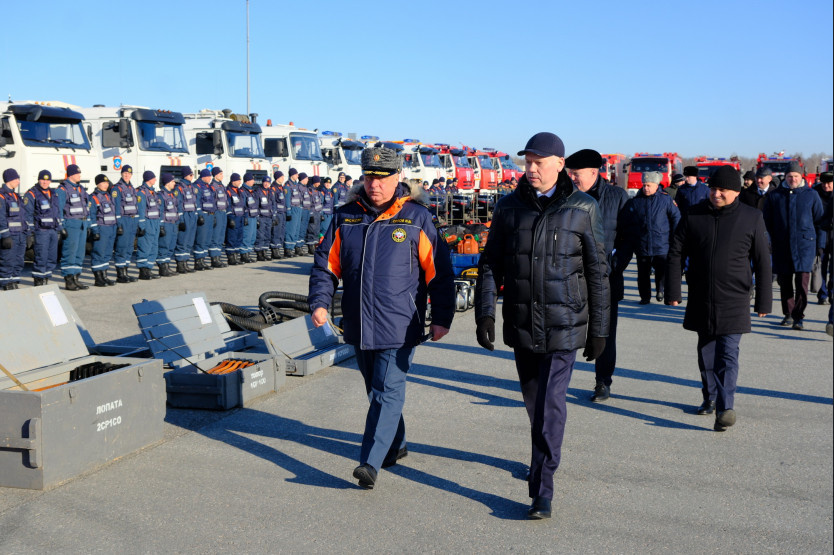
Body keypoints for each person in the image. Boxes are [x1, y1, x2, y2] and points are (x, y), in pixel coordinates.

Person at [474, 132, 610, 520]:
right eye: (528, 162)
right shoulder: (509, 207)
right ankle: (542, 463)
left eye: (539, 162)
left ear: (559, 165)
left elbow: (598, 271)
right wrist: (485, 313)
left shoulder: (582, 207)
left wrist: (599, 329)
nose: (531, 169)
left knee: (550, 406)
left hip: (564, 324)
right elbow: (491, 263)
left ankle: (542, 489)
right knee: (536, 406)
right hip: (522, 324)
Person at [308, 146, 455, 491]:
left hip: (400, 324)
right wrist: (319, 302)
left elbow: (439, 271)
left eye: (383, 177)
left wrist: (442, 315)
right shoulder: (345, 216)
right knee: (377, 390)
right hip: (359, 322)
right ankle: (396, 443)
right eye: (370, 177)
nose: (375, 184)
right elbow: (326, 266)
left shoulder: (417, 217)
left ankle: (370, 462)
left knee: (386, 389)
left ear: (398, 176)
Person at [666, 166, 772, 431]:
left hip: (735, 297)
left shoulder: (751, 217)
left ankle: (726, 407)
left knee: (728, 354)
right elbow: (676, 252)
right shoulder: (694, 214)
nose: (716, 194)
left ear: (735, 192)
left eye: (722, 190)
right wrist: (673, 291)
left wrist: (764, 301)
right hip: (701, 295)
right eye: (713, 189)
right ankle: (710, 397)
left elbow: (762, 260)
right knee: (707, 353)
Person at [566, 149, 629, 403]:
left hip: (607, 279)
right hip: (572, 278)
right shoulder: (567, 196)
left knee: (604, 333)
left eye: (576, 174)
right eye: (570, 173)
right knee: (567, 331)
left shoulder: (617, 197)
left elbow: (629, 237)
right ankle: (559, 380)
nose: (572, 178)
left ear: (593, 172)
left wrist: (613, 265)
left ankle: (603, 382)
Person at [762, 161, 825, 330]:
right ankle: (788, 314)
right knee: (785, 282)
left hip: (805, 245)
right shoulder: (775, 196)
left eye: (796, 176)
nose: (793, 179)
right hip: (781, 245)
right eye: (790, 176)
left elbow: (820, 222)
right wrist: (768, 241)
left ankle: (799, 316)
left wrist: (820, 245)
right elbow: (766, 222)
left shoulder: (811, 195)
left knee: (802, 282)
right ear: (785, 177)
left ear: (801, 176)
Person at [622, 171, 680, 304]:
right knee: (643, 273)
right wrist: (632, 237)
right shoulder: (636, 201)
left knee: (661, 271)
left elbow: (676, 218)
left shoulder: (665, 200)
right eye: (644, 185)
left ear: (656, 185)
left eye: (649, 185)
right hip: (642, 244)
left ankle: (660, 290)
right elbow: (627, 221)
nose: (646, 188)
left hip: (662, 244)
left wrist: (674, 238)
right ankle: (645, 297)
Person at [55, 164, 90, 290]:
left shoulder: (81, 189)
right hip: (71, 224)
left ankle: (76, 278)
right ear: (71, 175)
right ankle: (69, 280)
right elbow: (58, 209)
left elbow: (86, 207)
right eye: (77, 174)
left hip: (82, 224)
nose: (80, 175)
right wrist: (61, 227)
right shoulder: (62, 190)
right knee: (70, 252)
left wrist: (88, 224)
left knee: (80, 253)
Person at [24, 169, 62, 286]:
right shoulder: (32, 194)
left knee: (52, 257)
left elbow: (57, 211)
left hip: (53, 230)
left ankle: (46, 278)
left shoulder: (53, 193)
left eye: (47, 180)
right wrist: (30, 232)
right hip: (41, 231)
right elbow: (27, 214)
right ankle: (38, 280)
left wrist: (60, 227)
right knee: (41, 256)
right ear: (38, 180)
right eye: (42, 180)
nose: (45, 182)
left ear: (50, 181)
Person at [0, 168, 28, 290]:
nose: (18, 181)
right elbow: (1, 217)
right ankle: (6, 283)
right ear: (9, 179)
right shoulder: (2, 196)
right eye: (16, 179)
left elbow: (23, 216)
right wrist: (5, 235)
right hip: (10, 235)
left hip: (20, 234)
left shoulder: (16, 196)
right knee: (7, 259)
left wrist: (27, 232)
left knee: (18, 260)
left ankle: (14, 280)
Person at [88, 174, 118, 286]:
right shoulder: (94, 197)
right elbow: (92, 215)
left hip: (111, 227)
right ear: (97, 184)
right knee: (99, 253)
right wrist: (95, 230)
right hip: (101, 228)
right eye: (103, 183)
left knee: (107, 253)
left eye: (106, 183)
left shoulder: (109, 196)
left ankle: (104, 276)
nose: (105, 185)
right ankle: (98, 278)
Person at [112, 165, 139, 283]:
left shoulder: (132, 188)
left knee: (129, 248)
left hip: (132, 220)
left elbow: (135, 206)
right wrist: (119, 224)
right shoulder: (117, 188)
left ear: (131, 175)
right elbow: (116, 206)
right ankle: (120, 274)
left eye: (129, 173)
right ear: (121, 174)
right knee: (122, 247)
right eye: (125, 173)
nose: (127, 175)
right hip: (123, 220)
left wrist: (137, 222)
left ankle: (126, 272)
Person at [135, 170, 162, 280]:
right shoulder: (141, 192)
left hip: (155, 222)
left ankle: (149, 269)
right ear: (149, 179)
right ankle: (143, 271)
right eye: (154, 177)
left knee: (154, 247)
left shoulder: (153, 192)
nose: (155, 179)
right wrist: (141, 225)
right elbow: (141, 209)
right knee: (145, 246)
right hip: (147, 222)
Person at [173, 167, 199, 274]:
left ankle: (186, 262)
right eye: (191, 175)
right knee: (182, 240)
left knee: (189, 240)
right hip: (184, 215)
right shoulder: (179, 188)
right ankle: (180, 264)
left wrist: (196, 214)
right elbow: (178, 203)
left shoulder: (192, 187)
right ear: (185, 175)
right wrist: (181, 219)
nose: (192, 177)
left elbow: (195, 202)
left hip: (192, 215)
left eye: (192, 175)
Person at [812, 172, 833, 305]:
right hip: (820, 234)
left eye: (829, 183)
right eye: (823, 183)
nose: (825, 186)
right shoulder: (815, 193)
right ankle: (823, 294)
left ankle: (832, 293)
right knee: (821, 266)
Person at [156, 173, 180, 277]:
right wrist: (161, 225)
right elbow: (160, 211)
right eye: (173, 181)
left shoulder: (172, 194)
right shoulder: (161, 195)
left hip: (173, 224)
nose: (174, 183)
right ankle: (162, 267)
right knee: (164, 246)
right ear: (167, 183)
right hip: (166, 224)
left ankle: (167, 265)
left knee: (171, 246)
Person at [193, 169, 215, 271]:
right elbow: (197, 201)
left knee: (207, 239)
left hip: (210, 215)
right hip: (203, 215)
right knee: (201, 239)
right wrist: (200, 215)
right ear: (204, 177)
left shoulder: (208, 187)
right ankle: (198, 261)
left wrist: (213, 215)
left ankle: (203, 260)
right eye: (209, 176)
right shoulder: (197, 186)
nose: (210, 178)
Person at [209, 167, 228, 268]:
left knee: (221, 236)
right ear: (215, 175)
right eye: (220, 174)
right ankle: (214, 258)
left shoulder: (222, 186)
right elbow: (212, 201)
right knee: (215, 236)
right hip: (217, 212)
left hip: (223, 212)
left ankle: (218, 256)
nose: (222, 176)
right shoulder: (213, 186)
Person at [225, 173, 246, 265]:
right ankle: (231, 257)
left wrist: (245, 216)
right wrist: (230, 217)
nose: (240, 182)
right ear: (233, 181)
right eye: (238, 180)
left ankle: (236, 256)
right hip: (233, 217)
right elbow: (228, 205)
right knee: (232, 237)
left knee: (239, 237)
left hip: (240, 217)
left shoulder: (239, 191)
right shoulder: (228, 191)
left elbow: (243, 205)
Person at [254, 175, 275, 261]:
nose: (266, 184)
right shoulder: (258, 191)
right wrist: (257, 217)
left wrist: (274, 216)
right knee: (260, 235)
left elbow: (273, 204)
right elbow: (256, 205)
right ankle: (259, 253)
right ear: (262, 182)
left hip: (269, 217)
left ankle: (265, 252)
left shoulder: (270, 192)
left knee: (267, 235)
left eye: (268, 182)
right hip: (261, 217)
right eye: (265, 182)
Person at [240, 173, 259, 263]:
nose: (253, 181)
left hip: (253, 216)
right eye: (252, 180)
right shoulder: (243, 191)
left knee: (252, 237)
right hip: (248, 216)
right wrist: (245, 217)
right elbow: (242, 205)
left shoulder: (252, 191)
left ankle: (248, 253)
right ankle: (244, 254)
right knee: (246, 236)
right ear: (247, 181)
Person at [284, 168, 302, 256]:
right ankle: (288, 248)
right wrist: (288, 211)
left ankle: (292, 247)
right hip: (292, 208)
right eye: (296, 174)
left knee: (296, 230)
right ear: (292, 175)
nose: (297, 176)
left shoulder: (296, 185)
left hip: (298, 208)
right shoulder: (287, 185)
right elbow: (287, 199)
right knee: (291, 229)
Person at [270, 171, 287, 260]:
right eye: (282, 177)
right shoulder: (273, 188)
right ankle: (274, 250)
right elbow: (273, 202)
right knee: (276, 232)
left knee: (281, 232)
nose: (283, 178)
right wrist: (274, 214)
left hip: (282, 212)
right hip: (277, 213)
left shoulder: (281, 188)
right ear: (277, 178)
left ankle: (279, 248)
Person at [306, 175, 323, 254]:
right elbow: (309, 203)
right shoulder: (310, 191)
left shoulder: (317, 191)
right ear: (315, 182)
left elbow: (320, 203)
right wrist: (310, 214)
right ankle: (310, 246)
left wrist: (321, 213)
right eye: (318, 182)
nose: (319, 184)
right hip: (313, 213)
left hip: (318, 213)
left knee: (316, 230)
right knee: (311, 230)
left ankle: (315, 245)